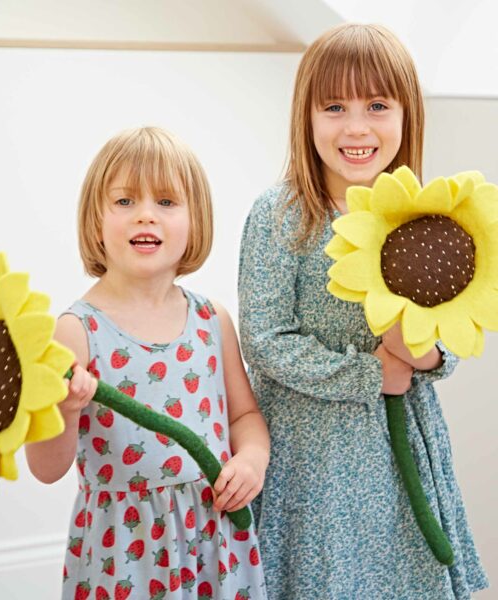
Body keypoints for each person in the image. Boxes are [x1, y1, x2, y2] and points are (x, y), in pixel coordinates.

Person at [238, 23, 488, 600]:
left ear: (407, 116)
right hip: (316, 459)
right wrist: (369, 373)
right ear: (307, 116)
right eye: (334, 106)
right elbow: (267, 339)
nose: (356, 126)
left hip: (400, 455)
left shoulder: (423, 218)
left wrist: (423, 356)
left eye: (377, 105)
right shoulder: (282, 217)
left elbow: (446, 330)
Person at [26, 126, 270, 599]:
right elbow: (46, 466)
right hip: (126, 553)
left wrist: (253, 460)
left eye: (166, 202)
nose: (145, 216)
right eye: (123, 202)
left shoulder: (211, 319)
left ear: (194, 220)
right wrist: (67, 410)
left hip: (213, 541)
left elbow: (244, 416)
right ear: (94, 221)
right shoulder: (77, 331)